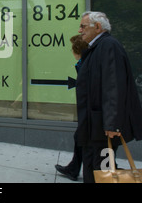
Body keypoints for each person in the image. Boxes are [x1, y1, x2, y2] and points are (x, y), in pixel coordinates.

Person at [75, 11, 142, 183]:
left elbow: (113, 86)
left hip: (101, 128)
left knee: (101, 171)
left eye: (83, 26)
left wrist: (112, 123)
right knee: (92, 168)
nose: (80, 30)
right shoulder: (96, 48)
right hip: (93, 125)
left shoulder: (108, 46)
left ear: (97, 27)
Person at [55, 35, 88, 181]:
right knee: (80, 138)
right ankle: (73, 169)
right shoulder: (83, 62)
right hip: (86, 109)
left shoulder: (84, 64)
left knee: (81, 138)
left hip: (89, 109)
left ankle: (74, 169)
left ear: (77, 51)